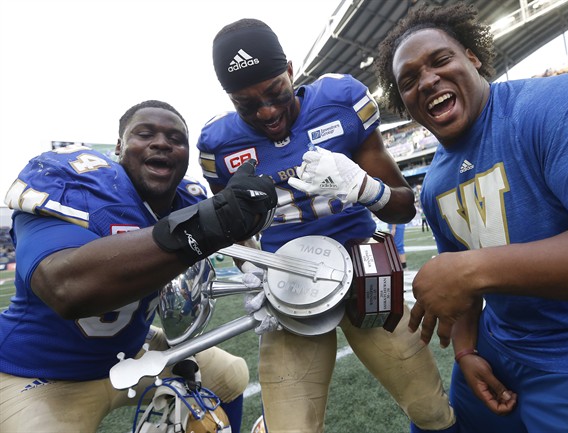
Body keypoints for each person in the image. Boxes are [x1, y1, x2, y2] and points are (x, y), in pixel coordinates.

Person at [375, 3, 568, 433]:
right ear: (404, 104)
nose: (427, 80)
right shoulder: (434, 182)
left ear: (472, 56)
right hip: (499, 349)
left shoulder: (560, 101)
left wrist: (472, 270)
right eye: (408, 81)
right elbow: (464, 294)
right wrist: (465, 351)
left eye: (440, 60)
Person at [197, 18, 457, 433]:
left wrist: (366, 189)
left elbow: (404, 207)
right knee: (291, 428)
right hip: (287, 283)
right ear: (229, 98)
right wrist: (252, 266)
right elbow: (231, 222)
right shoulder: (217, 144)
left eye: (275, 92)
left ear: (291, 71)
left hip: (363, 270)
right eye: (247, 104)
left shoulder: (341, 101)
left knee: (431, 409)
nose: (266, 111)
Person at [0, 100, 277, 433]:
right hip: (37, 371)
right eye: (145, 134)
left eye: (176, 139)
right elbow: (66, 289)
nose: (161, 143)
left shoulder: (189, 199)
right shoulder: (74, 183)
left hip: (134, 349)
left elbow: (232, 237)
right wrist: (201, 227)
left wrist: (257, 270)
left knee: (230, 375)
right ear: (119, 147)